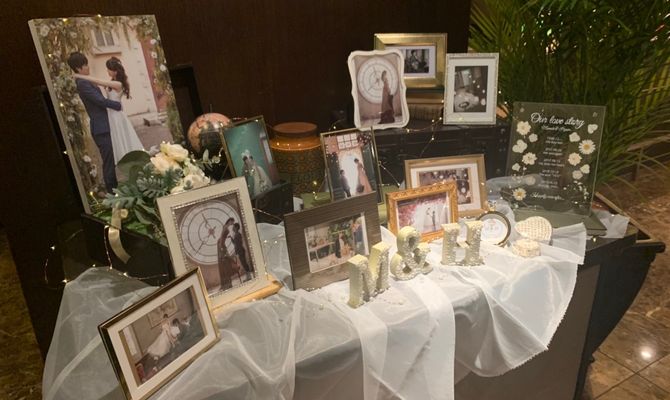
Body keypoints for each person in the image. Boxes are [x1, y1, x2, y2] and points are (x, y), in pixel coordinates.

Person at [67, 52, 122, 193]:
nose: (88, 67)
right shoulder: (83, 84)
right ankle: (112, 193)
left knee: (111, 160)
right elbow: (100, 101)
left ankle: (114, 190)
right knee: (109, 161)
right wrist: (117, 105)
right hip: (100, 128)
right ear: (78, 68)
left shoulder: (85, 80)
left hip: (104, 126)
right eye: (85, 65)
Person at [74, 56, 144, 165]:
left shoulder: (118, 84)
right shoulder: (112, 82)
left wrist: (79, 76)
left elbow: (98, 81)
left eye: (109, 69)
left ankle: (132, 163)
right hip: (111, 115)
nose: (107, 71)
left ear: (115, 71)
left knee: (124, 140)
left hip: (116, 115)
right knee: (117, 143)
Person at [217, 218, 236, 290]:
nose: (232, 223)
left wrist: (227, 237)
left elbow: (223, 236)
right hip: (221, 244)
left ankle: (226, 283)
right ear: (230, 221)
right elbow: (222, 237)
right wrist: (222, 247)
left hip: (221, 243)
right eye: (232, 222)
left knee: (224, 262)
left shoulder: (225, 227)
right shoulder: (225, 227)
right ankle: (227, 283)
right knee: (225, 262)